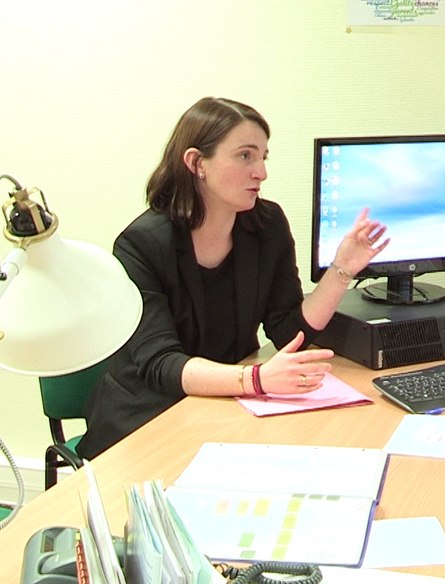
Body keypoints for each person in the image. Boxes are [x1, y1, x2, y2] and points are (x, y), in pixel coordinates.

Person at [78, 97, 390, 458]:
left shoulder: (266, 225)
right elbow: (161, 364)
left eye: (263, 157)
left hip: (230, 399)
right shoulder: (143, 243)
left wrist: (343, 270)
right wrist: (255, 381)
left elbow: (288, 332)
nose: (261, 172)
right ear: (197, 163)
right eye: (245, 156)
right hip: (149, 412)